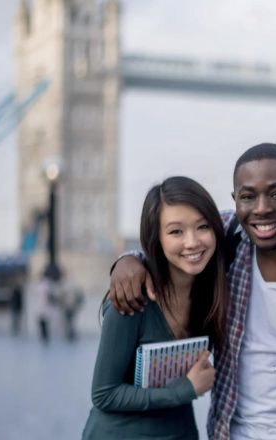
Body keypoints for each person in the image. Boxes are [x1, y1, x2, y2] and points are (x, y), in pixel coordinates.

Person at [109, 144, 276, 439]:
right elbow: (174, 242)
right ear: (236, 200)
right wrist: (128, 260)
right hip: (231, 432)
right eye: (248, 196)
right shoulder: (229, 231)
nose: (261, 208)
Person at [83, 176, 228, 440]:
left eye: (203, 226)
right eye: (176, 231)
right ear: (156, 238)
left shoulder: (212, 292)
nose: (192, 242)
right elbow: (104, 394)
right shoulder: (130, 300)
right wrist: (185, 390)